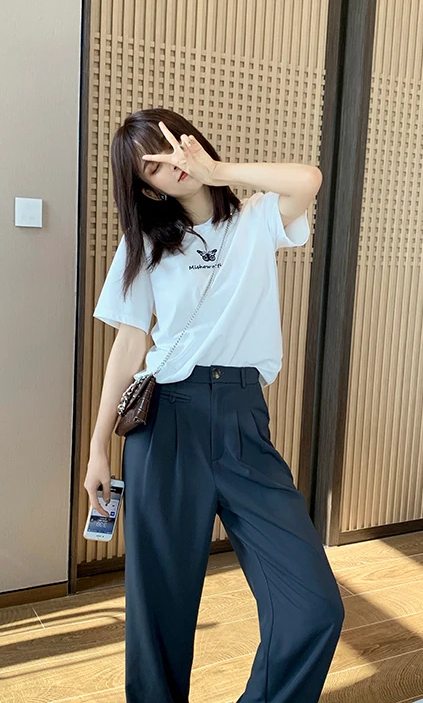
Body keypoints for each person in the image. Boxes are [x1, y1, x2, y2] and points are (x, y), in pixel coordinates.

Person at [85, 107, 344, 703]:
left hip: (241, 417)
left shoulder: (257, 218)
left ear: (192, 142)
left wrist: (217, 171)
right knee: (159, 609)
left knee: (313, 607)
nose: (169, 166)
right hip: (165, 422)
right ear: (147, 188)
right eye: (150, 167)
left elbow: (308, 178)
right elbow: (129, 345)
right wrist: (99, 447)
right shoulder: (145, 244)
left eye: (170, 148)